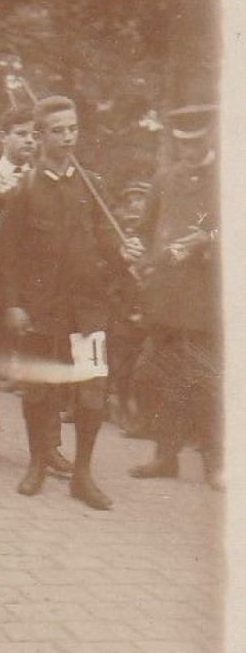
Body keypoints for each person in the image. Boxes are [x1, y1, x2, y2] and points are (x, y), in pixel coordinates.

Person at [0, 95, 143, 510]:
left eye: (73, 128)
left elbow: (105, 237)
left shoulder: (90, 182)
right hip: (40, 308)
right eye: (58, 130)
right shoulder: (23, 190)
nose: (68, 137)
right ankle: (38, 462)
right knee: (38, 388)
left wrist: (122, 250)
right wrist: (13, 304)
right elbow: (5, 256)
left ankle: (82, 474)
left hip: (88, 305)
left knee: (92, 390)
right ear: (39, 136)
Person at [0, 104, 73, 479]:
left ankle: (49, 446)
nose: (28, 141)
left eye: (33, 135)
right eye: (20, 134)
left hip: (33, 284)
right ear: (3, 137)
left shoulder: (46, 177)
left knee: (44, 360)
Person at [129, 105, 223, 489]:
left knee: (205, 380)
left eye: (196, 141)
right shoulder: (164, 180)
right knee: (164, 376)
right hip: (167, 296)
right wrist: (134, 250)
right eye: (182, 143)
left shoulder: (227, 180)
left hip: (206, 297)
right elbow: (144, 230)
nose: (189, 149)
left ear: (210, 136)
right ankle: (165, 456)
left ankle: (216, 463)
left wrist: (207, 241)